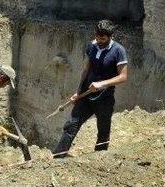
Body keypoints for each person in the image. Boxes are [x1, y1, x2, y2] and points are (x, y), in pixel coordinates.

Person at [52, 20, 128, 158]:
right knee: (71, 125)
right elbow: (85, 70)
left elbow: (123, 77)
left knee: (103, 132)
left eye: (103, 38)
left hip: (104, 98)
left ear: (110, 36)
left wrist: (102, 84)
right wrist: (78, 91)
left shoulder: (118, 51)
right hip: (86, 97)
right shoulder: (91, 46)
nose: (99, 40)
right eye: (97, 36)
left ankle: (99, 159)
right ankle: (58, 157)